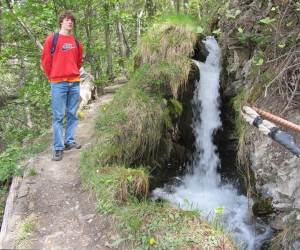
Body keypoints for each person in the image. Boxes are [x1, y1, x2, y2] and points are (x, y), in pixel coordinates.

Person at [41, 10, 84, 161]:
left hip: (74, 82)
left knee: (72, 113)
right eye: (67, 20)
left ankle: (69, 141)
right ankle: (58, 147)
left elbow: (78, 63)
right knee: (58, 116)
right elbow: (46, 61)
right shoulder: (51, 40)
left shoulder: (77, 43)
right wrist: (52, 77)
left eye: (71, 20)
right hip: (58, 83)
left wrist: (72, 74)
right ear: (61, 22)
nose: (70, 22)